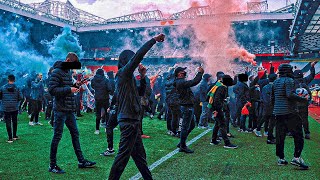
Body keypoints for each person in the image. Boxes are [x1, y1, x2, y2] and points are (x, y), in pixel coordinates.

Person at [108, 34, 165, 180]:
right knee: (122, 157)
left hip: (132, 120)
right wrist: (153, 40)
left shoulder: (128, 77)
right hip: (128, 121)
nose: (137, 63)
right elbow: (138, 56)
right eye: (132, 60)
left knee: (140, 158)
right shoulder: (123, 74)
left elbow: (140, 92)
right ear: (127, 61)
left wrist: (144, 76)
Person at [48, 52, 96, 174]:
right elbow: (52, 90)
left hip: (69, 109)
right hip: (60, 109)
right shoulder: (56, 72)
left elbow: (68, 87)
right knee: (57, 136)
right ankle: (52, 165)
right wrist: (69, 89)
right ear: (68, 60)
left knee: (75, 134)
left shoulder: (67, 72)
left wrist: (77, 85)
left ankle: (81, 161)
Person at [272, 64, 309, 169]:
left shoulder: (275, 82)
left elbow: (272, 98)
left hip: (278, 112)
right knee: (298, 136)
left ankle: (281, 159)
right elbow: (289, 95)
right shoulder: (289, 80)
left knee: (280, 136)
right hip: (290, 112)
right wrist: (303, 99)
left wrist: (275, 109)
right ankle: (296, 158)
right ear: (289, 71)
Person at [175, 66, 204, 153]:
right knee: (185, 126)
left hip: (187, 105)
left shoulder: (180, 81)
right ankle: (183, 146)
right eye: (183, 71)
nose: (185, 73)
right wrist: (199, 73)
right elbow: (194, 82)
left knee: (191, 125)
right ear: (179, 74)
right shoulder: (180, 82)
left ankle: (181, 142)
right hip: (186, 106)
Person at [208, 75, 237, 148]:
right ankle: (227, 143)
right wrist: (217, 110)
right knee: (222, 124)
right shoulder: (222, 87)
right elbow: (217, 100)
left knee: (217, 124)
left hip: (216, 108)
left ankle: (213, 140)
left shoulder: (219, 84)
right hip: (218, 109)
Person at [293, 61, 316, 139]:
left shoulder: (292, 81)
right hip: (304, 103)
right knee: (304, 118)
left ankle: (294, 132)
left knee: (295, 118)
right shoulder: (305, 80)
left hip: (295, 103)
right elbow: (312, 75)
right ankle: (307, 133)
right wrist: (312, 67)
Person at [0, 74, 22, 143]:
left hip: (6, 107)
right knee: (14, 121)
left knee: (8, 121)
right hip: (14, 107)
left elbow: (0, 97)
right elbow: (21, 97)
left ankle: (10, 138)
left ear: (8, 79)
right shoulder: (17, 87)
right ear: (14, 80)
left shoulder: (3, 88)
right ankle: (15, 136)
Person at [91, 68, 112, 135]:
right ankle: (107, 128)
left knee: (98, 114)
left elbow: (92, 86)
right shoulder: (106, 80)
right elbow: (109, 89)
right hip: (105, 99)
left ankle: (97, 129)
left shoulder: (93, 80)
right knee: (107, 114)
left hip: (97, 98)